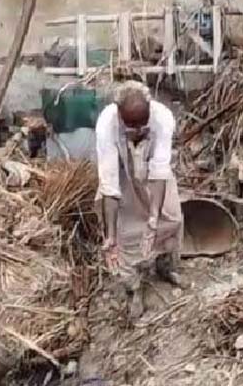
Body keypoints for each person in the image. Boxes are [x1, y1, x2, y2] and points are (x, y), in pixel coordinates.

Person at [94, 80, 184, 319]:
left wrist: (154, 217)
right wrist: (110, 234)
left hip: (153, 174)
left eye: (141, 123)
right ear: (119, 115)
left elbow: (160, 170)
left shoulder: (162, 119)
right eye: (130, 124)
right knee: (124, 232)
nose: (136, 129)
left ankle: (164, 264)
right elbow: (110, 183)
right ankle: (133, 287)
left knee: (171, 217)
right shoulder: (106, 124)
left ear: (149, 109)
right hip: (123, 172)